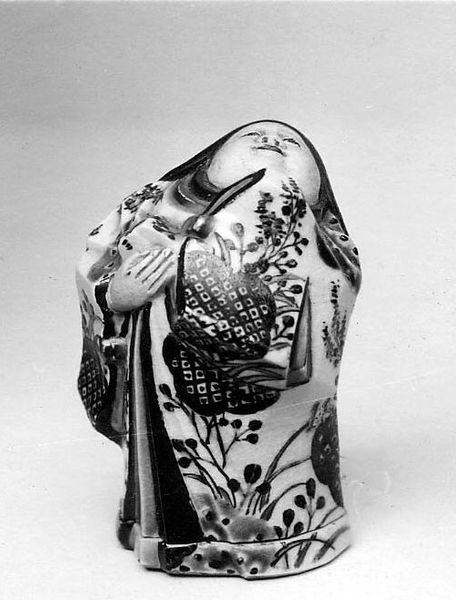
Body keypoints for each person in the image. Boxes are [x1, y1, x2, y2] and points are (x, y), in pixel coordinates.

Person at [76, 120, 361, 578]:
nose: (271, 143)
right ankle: (166, 537)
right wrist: (115, 293)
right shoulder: (152, 203)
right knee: (170, 459)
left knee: (266, 474)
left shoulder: (324, 234)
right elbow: (97, 257)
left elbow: (337, 286)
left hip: (268, 402)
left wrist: (191, 270)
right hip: (157, 369)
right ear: (210, 158)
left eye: (290, 142)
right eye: (253, 137)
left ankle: (286, 539)